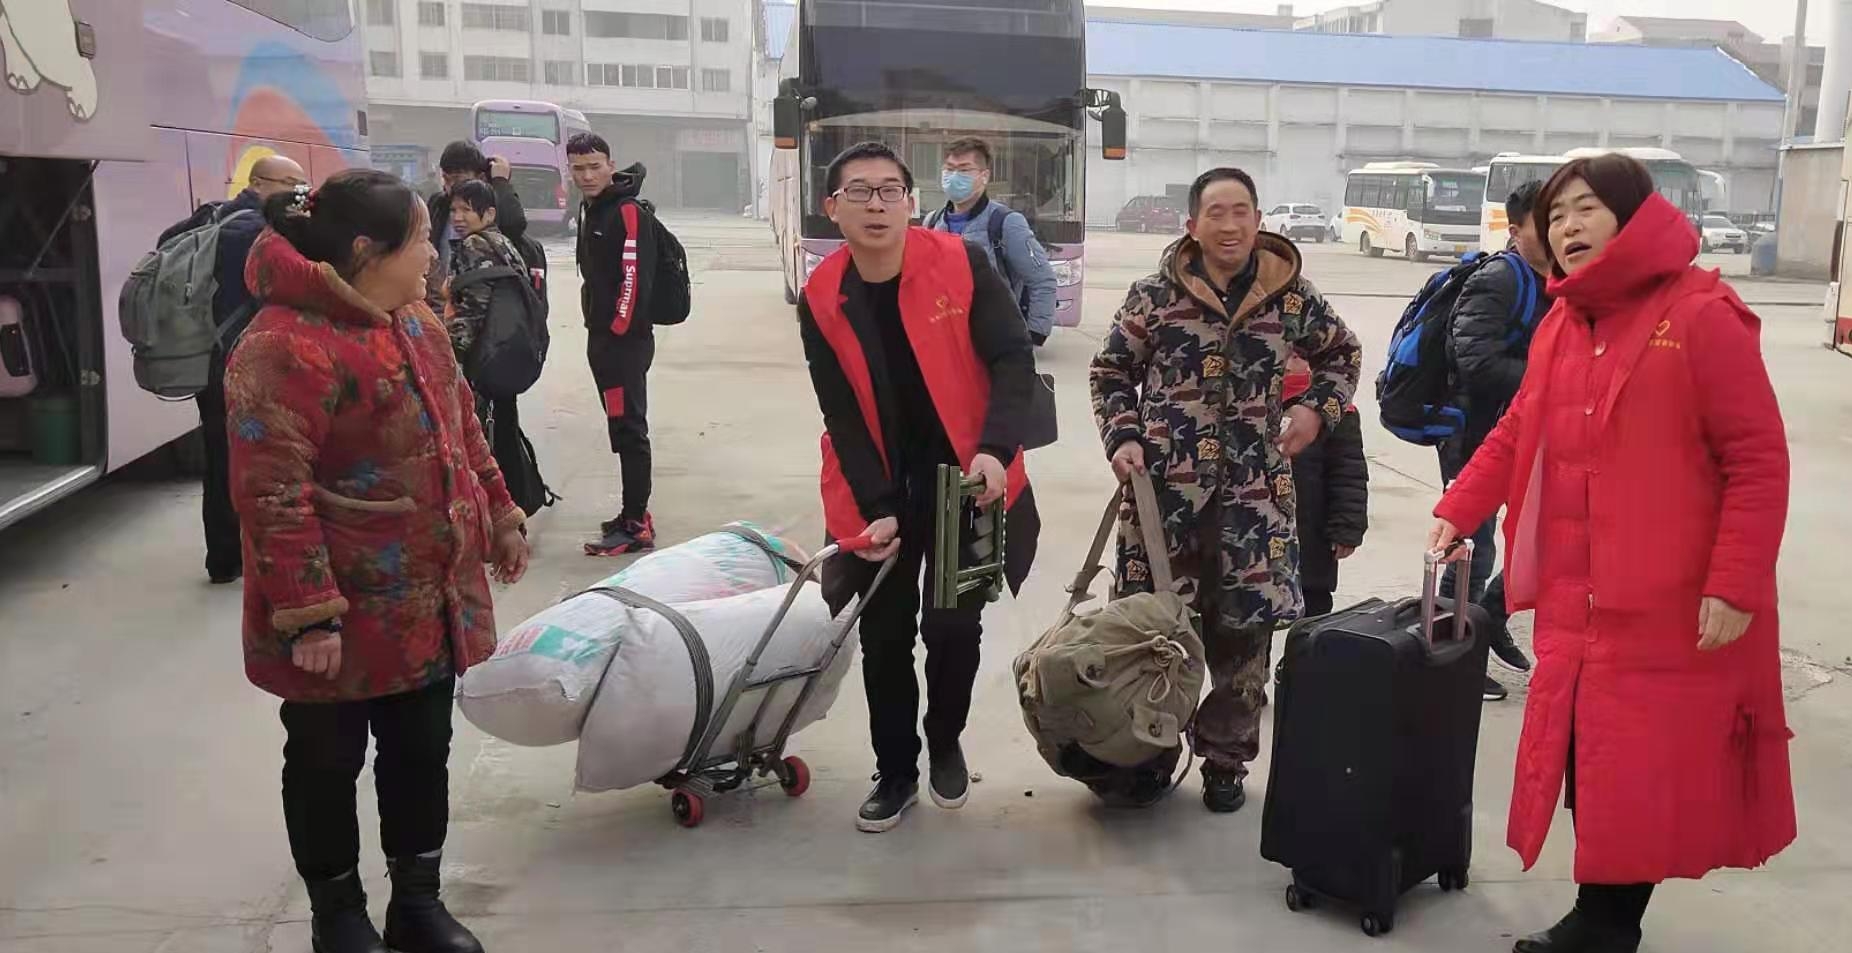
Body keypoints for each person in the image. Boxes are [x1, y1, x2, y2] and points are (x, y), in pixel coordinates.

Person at [1429, 153, 1795, 953]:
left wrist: (1734, 583)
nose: (1567, 227)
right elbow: (1520, 427)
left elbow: (1757, 459)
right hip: (1579, 594)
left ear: (1632, 216)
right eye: (1556, 215)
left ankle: (1605, 924)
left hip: (1669, 601)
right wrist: (1460, 507)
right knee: (1586, 755)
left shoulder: (1699, 314)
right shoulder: (1566, 322)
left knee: (1632, 767)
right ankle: (1602, 919)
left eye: (1586, 208)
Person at [226, 169, 530, 953]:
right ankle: (338, 914)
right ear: (368, 249)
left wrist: (500, 510)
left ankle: (416, 903)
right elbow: (272, 493)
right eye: (423, 239)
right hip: (338, 606)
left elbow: (462, 426)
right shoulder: (283, 344)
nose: (434, 253)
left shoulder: (416, 321)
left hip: (425, 598)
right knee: (326, 759)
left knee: (421, 750)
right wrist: (309, 615)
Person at [1090, 167, 1362, 814]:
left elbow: (1343, 355)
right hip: (1163, 502)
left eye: (1242, 211)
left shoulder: (1290, 299)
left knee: (1245, 642)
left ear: (1258, 221)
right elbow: (1111, 370)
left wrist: (1315, 411)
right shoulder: (1155, 296)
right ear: (1193, 225)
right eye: (1216, 212)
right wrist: (1122, 436)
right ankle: (1147, 756)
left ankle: (1225, 760)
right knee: (1154, 635)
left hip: (1255, 502)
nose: (1230, 224)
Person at [798, 142, 1040, 833]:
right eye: (859, 191)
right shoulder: (822, 295)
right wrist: (876, 505)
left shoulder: (962, 263)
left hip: (968, 478)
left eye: (889, 190)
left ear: (910, 202)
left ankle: (945, 740)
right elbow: (840, 412)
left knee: (953, 626)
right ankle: (896, 768)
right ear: (833, 207)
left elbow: (1012, 359)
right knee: (884, 632)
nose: (875, 204)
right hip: (877, 482)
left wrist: (995, 449)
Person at [155, 154, 307, 585]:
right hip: (241, 361)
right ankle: (246, 554)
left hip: (209, 355)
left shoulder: (214, 216)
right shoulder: (254, 231)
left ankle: (222, 557)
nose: (299, 195)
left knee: (219, 455)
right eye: (292, 184)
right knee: (252, 459)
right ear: (259, 183)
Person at [1443, 180, 1550, 701]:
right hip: (1474, 432)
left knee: (1546, 537)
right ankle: (1452, 656)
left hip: (1534, 430)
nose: (1556, 232)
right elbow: (1476, 360)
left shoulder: (1561, 280)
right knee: (1471, 547)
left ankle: (1491, 616)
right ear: (1515, 230)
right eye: (1543, 223)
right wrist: (1557, 378)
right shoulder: (1499, 278)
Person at [569, 133, 660, 556]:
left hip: (622, 343)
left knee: (629, 429)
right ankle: (633, 512)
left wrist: (617, 332)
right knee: (620, 427)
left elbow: (633, 277)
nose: (587, 175)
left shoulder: (626, 212)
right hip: (603, 338)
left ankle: (635, 525)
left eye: (594, 166)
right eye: (578, 168)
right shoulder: (593, 209)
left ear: (610, 164)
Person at [444, 179, 551, 517]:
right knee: (504, 429)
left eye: (466, 210)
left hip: (484, 357)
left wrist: (453, 356)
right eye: (454, 210)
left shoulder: (474, 245)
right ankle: (518, 501)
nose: (458, 217)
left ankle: (495, 512)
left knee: (483, 439)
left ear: (489, 213)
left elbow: (474, 309)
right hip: (507, 352)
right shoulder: (504, 242)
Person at [924, 136, 1059, 345]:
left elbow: (1042, 279)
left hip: (995, 338)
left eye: (964, 170)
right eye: (949, 169)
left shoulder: (1006, 222)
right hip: (945, 337)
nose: (954, 176)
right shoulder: (933, 222)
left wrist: (1034, 334)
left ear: (984, 176)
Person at [1281, 356, 1367, 620]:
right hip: (1261, 540)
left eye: (1299, 355)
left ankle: (1305, 646)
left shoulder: (1336, 409)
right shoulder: (1252, 403)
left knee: (1313, 609)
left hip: (1313, 537)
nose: (1290, 361)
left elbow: (1349, 474)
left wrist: (1347, 529)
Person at [424, 140, 527, 313]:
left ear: (480, 177)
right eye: (446, 179)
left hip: (480, 309)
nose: (451, 187)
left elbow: (514, 224)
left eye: (457, 179)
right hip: (440, 306)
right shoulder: (438, 204)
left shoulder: (490, 208)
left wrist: (500, 181)